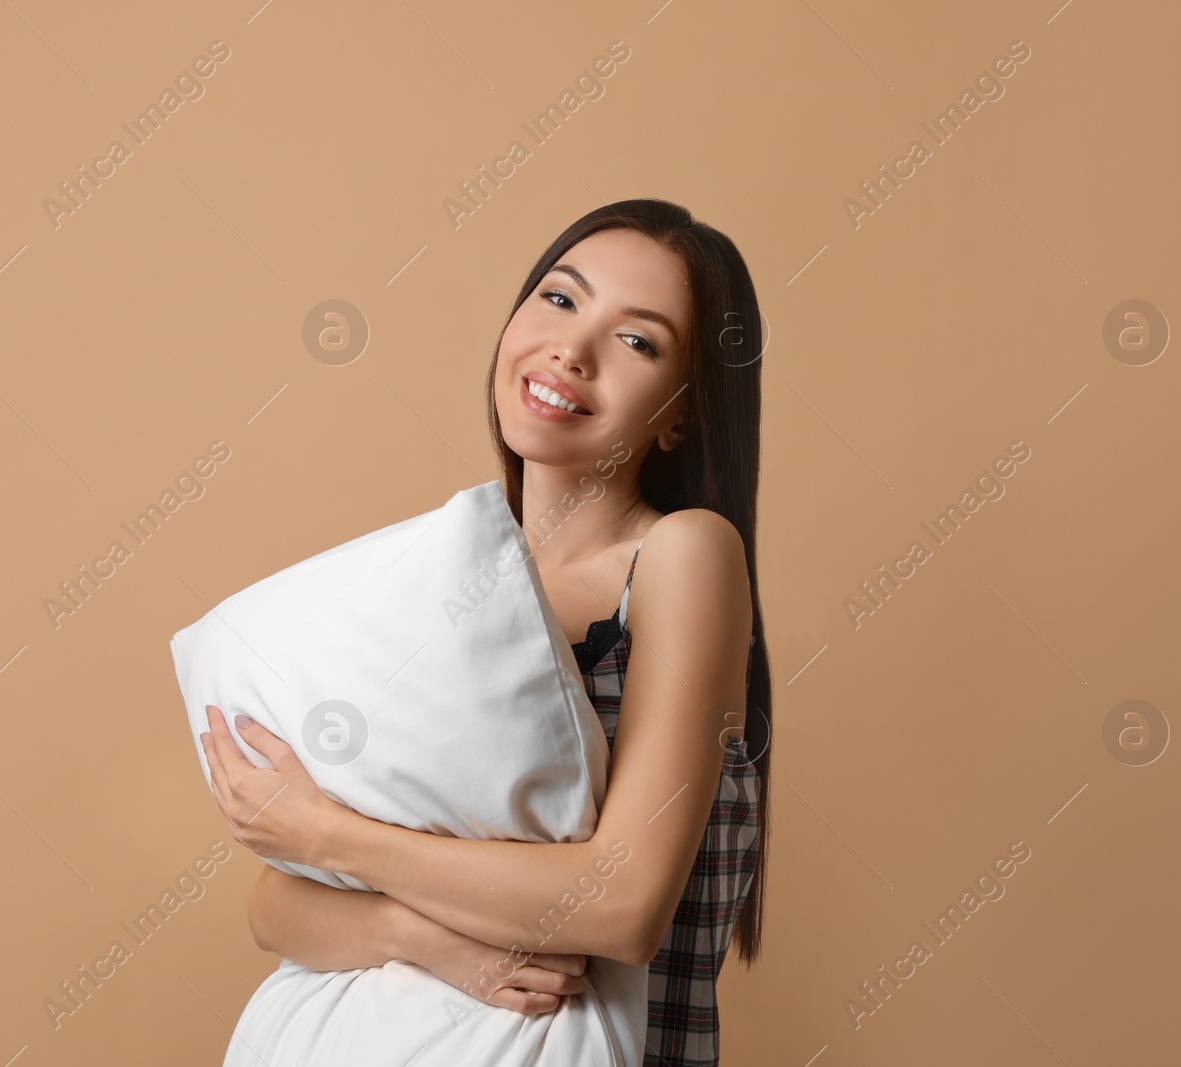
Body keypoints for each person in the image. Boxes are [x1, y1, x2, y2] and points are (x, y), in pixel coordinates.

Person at [201, 197, 774, 1066]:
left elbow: (625, 903)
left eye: (637, 341)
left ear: (681, 415)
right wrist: (421, 934)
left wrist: (325, 833)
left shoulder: (683, 554)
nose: (570, 350)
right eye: (559, 298)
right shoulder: (449, 587)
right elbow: (275, 908)